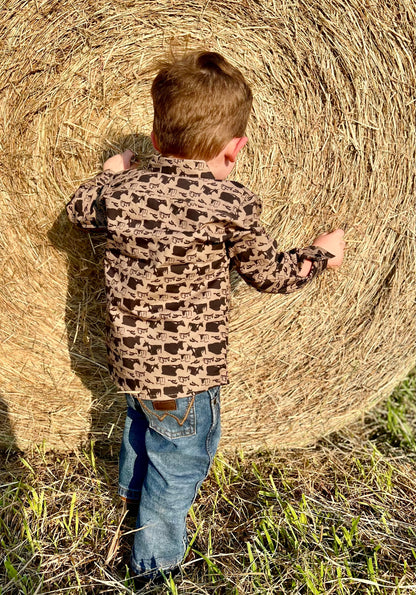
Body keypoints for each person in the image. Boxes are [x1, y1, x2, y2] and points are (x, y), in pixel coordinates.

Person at [66, 50, 345, 583]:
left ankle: (129, 495)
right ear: (235, 148)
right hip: (187, 379)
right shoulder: (230, 204)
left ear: (154, 141)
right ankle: (155, 559)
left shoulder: (121, 194)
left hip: (132, 364)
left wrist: (107, 175)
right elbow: (270, 275)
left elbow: (82, 209)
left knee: (142, 424)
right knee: (179, 463)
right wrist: (319, 253)